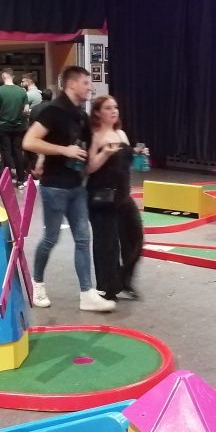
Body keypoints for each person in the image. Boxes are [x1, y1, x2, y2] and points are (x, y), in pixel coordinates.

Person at [22, 65, 115, 312]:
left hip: (76, 187)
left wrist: (107, 148)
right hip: (55, 187)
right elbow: (29, 141)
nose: (89, 87)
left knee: (83, 239)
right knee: (51, 238)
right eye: (85, 82)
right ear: (71, 84)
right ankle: (37, 284)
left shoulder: (80, 115)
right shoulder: (53, 111)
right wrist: (63, 151)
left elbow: (83, 145)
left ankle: (87, 293)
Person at [86, 95, 144, 301]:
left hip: (122, 195)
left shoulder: (120, 133)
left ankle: (123, 280)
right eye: (108, 108)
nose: (114, 111)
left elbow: (128, 163)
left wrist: (138, 154)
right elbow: (89, 167)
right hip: (101, 197)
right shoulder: (94, 135)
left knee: (135, 238)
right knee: (107, 244)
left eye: (115, 107)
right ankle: (107, 287)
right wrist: (106, 153)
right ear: (97, 113)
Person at [0, 67, 29, 188]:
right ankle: (21, 179)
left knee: (6, 152)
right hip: (19, 126)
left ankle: (8, 179)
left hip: (3, 125)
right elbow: (26, 109)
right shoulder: (21, 91)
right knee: (18, 151)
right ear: (12, 76)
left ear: (3, 76)